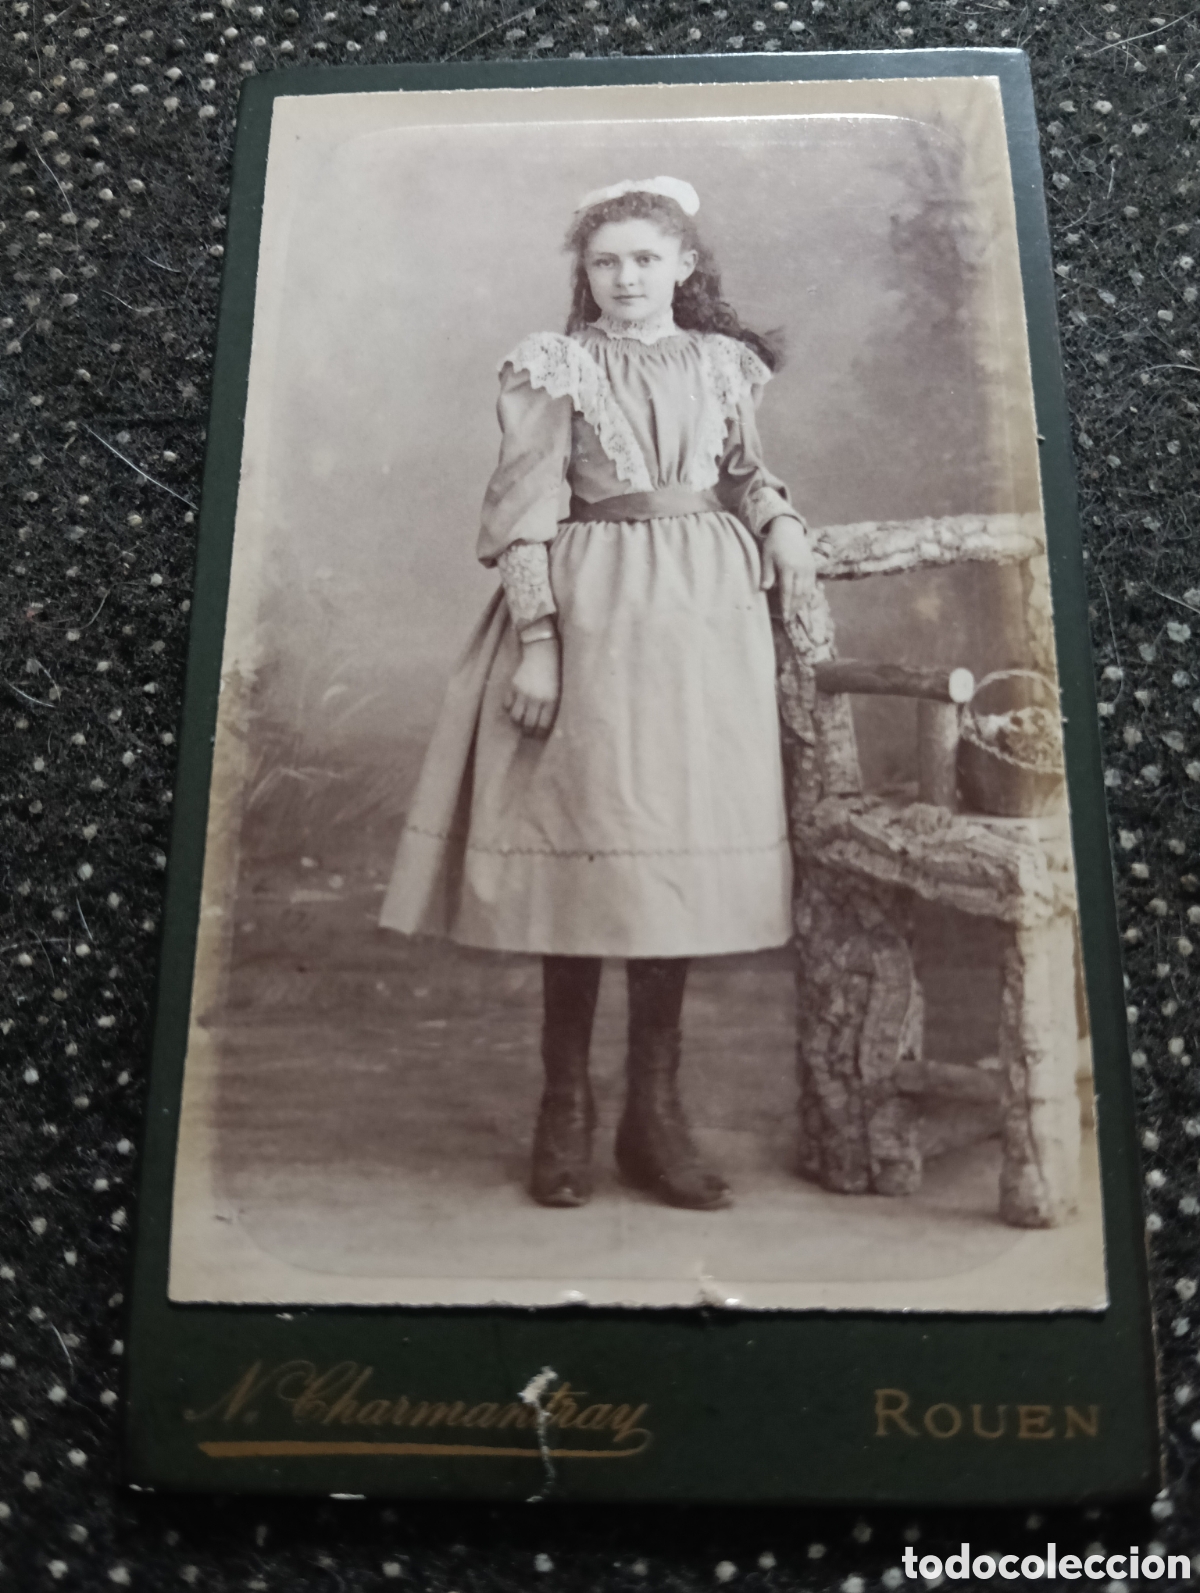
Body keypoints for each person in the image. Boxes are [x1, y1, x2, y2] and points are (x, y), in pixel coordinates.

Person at [380, 176, 817, 1212]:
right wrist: (538, 642)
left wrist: (785, 529)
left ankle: (651, 1117)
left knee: (667, 873)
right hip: (593, 620)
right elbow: (525, 511)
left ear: (684, 268)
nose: (626, 277)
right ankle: (564, 1105)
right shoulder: (554, 367)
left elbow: (746, 476)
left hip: (705, 632)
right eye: (606, 260)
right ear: (585, 273)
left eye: (646, 259)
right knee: (584, 865)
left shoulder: (724, 365)